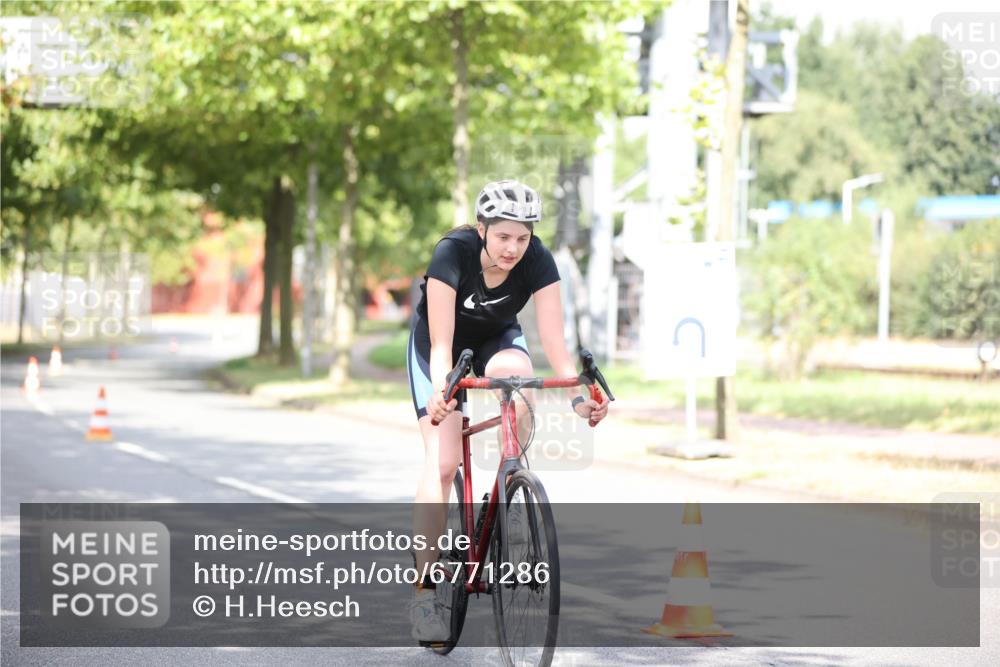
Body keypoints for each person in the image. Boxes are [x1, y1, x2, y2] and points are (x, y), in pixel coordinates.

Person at [407, 179, 610, 641]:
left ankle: (509, 487)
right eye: (502, 236)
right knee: (443, 462)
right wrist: (441, 391)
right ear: (481, 229)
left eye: (522, 237)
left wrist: (579, 398)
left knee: (520, 382)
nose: (513, 248)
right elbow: (441, 344)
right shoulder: (451, 254)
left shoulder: (538, 259)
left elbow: (555, 343)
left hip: (496, 340)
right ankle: (424, 593)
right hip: (439, 348)